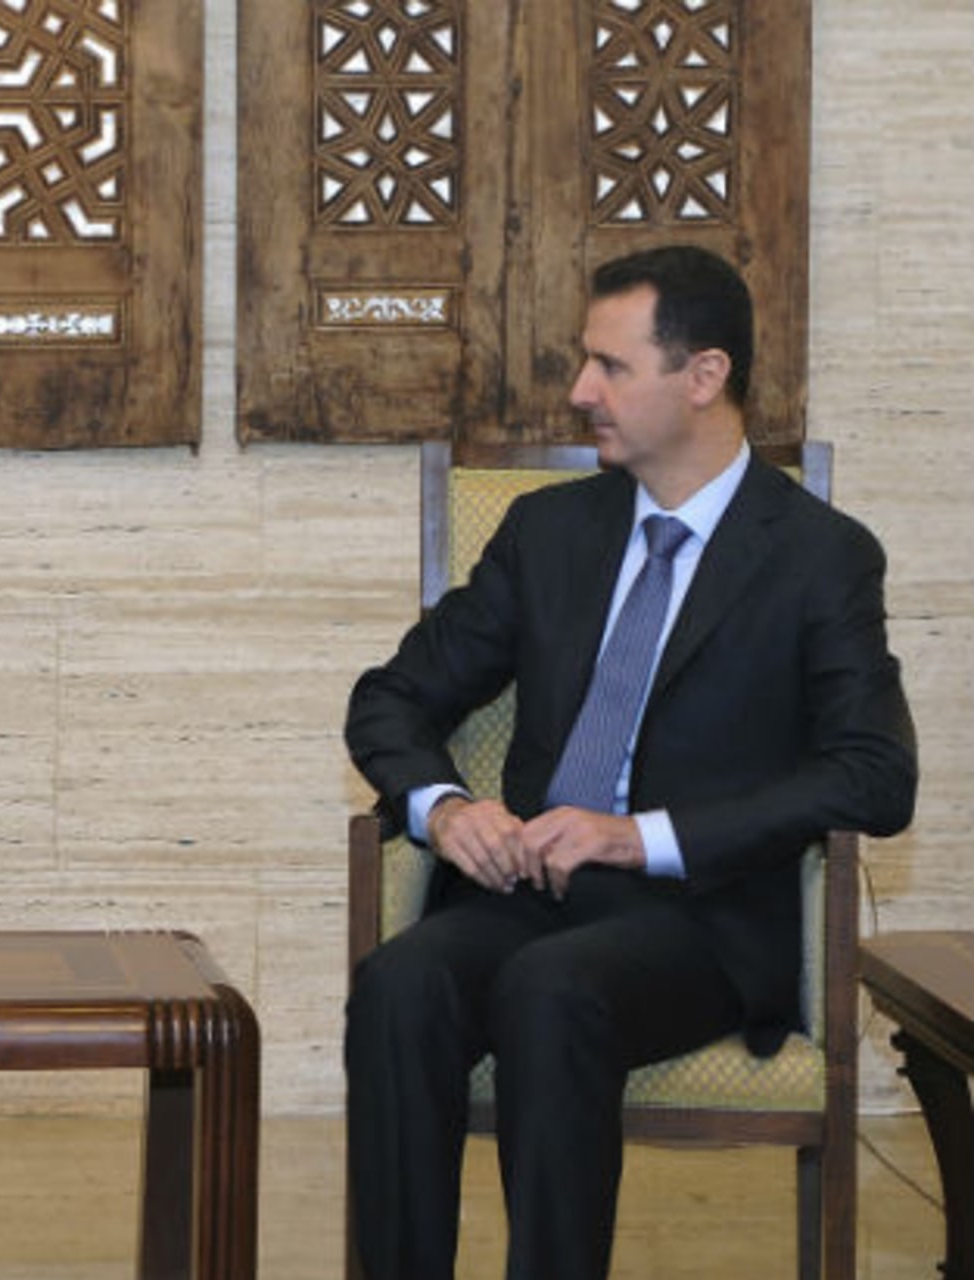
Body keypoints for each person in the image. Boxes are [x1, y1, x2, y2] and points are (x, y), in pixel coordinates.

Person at [342, 245, 917, 1280]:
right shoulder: (547, 532)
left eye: (611, 366)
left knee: (548, 988)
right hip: (529, 894)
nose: (579, 391)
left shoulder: (820, 555)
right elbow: (390, 697)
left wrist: (637, 835)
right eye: (583, 362)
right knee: (399, 981)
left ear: (703, 376)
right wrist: (444, 807)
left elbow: (875, 773)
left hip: (697, 915)